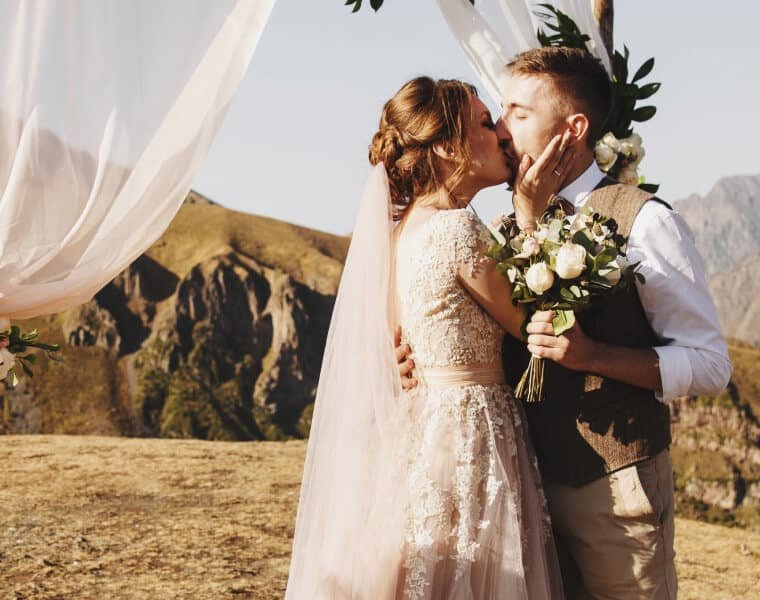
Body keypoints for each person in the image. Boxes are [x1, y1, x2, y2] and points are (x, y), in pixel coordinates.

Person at [398, 47, 732, 599]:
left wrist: (595, 356)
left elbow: (710, 364)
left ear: (572, 129)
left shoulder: (645, 221)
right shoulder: (497, 226)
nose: (501, 130)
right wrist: (415, 357)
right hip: (517, 489)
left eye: (518, 113)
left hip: (614, 493)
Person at [285, 76, 569, 599]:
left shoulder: (403, 231)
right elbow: (534, 319)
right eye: (485, 123)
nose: (501, 135)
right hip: (469, 435)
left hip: (421, 433)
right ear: (447, 147)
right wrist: (532, 216)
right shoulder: (456, 230)